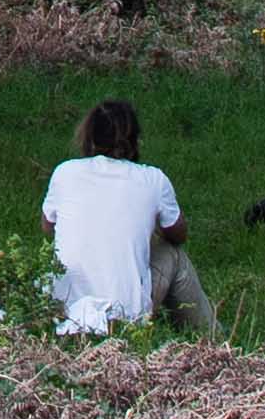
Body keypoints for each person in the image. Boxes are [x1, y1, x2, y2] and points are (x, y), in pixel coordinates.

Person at [42, 97, 219, 338]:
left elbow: (48, 227)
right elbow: (178, 234)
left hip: (64, 310)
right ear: (134, 139)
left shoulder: (64, 172)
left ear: (88, 136)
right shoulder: (153, 180)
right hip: (125, 318)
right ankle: (211, 337)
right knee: (172, 254)